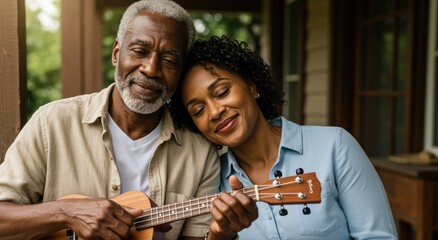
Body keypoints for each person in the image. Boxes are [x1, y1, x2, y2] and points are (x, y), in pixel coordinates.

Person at [0, 1, 256, 240]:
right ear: (116, 53)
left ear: (180, 73)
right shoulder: (52, 123)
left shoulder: (200, 153)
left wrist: (222, 234)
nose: (151, 69)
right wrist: (67, 212)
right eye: (140, 51)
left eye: (169, 60)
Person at [169, 35, 398, 239]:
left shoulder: (334, 146)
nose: (215, 112)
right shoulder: (210, 181)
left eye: (222, 92)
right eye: (198, 110)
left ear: (252, 85)